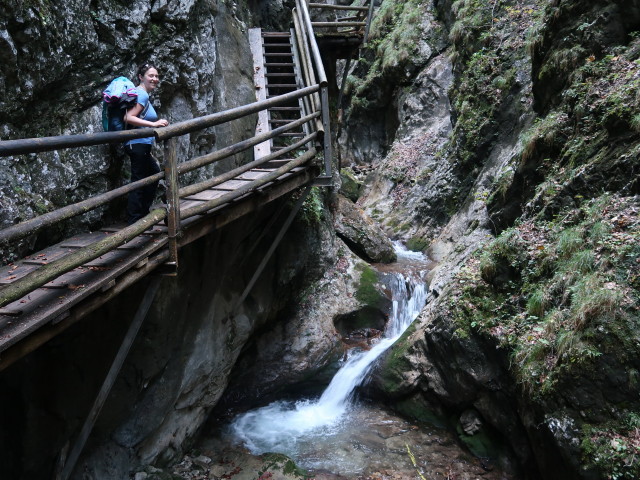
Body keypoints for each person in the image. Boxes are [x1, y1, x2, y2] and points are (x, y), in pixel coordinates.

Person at [124, 62, 169, 224]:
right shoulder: (141, 94)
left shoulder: (142, 94)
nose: (155, 79)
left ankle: (141, 214)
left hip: (140, 145)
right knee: (139, 180)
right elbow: (128, 117)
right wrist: (154, 125)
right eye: (151, 75)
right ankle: (135, 220)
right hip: (136, 144)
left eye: (156, 76)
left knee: (152, 174)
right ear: (141, 77)